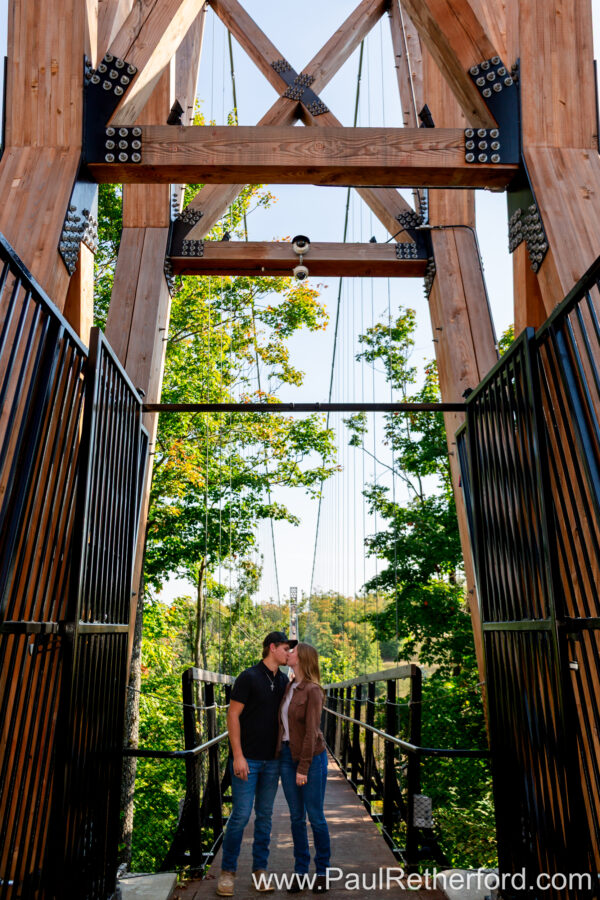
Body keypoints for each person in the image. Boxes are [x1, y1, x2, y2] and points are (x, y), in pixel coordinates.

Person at [217, 631, 297, 897]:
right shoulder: (248, 676)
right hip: (247, 760)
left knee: (265, 818)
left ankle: (259, 871)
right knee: (240, 816)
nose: (288, 654)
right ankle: (228, 872)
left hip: (272, 761)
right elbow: (233, 715)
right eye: (286, 649)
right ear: (272, 648)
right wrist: (237, 755)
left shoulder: (284, 680)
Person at [277, 642, 331, 894]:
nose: (288, 654)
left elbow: (311, 732)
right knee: (296, 818)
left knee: (315, 816)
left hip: (311, 758)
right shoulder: (289, 686)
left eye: (293, 652)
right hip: (287, 757)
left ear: (302, 659)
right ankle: (300, 872)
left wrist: (304, 768)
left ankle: (322, 872)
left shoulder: (313, 690)